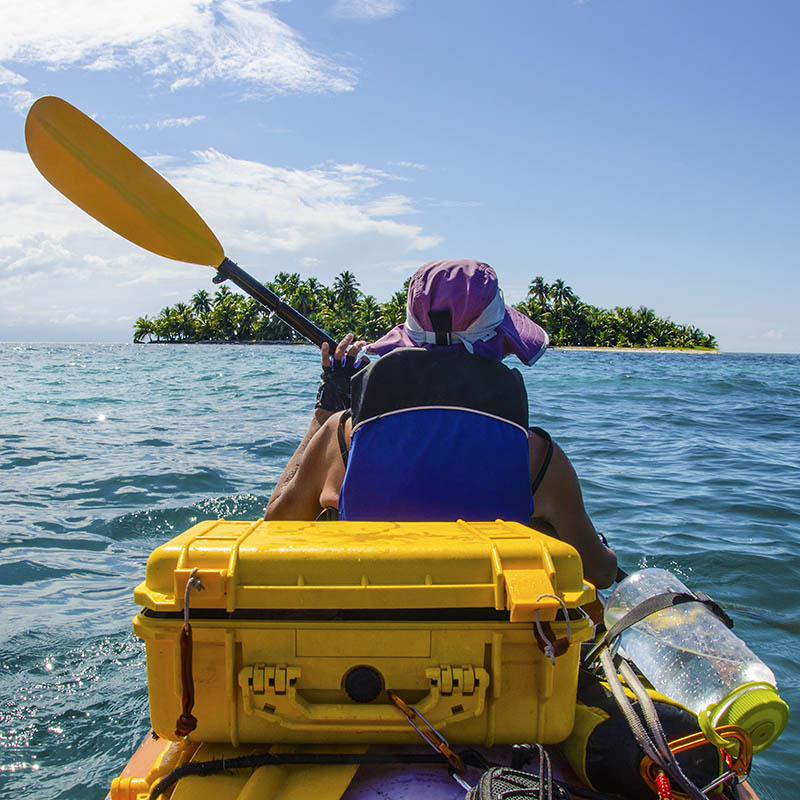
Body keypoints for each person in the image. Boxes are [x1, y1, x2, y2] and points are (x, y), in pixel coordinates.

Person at [265, 259, 617, 588]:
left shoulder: (341, 440)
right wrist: (601, 546)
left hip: (368, 630)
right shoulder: (537, 458)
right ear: (498, 346)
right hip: (485, 640)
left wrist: (327, 411)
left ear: (409, 341)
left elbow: (276, 526)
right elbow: (600, 573)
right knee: (545, 530)